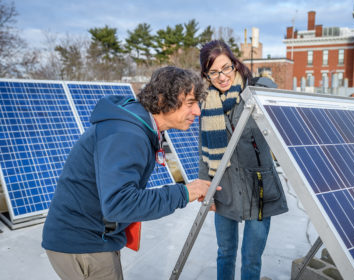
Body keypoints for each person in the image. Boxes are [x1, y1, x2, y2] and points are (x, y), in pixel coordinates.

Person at [42, 66, 218, 280]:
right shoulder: (126, 134)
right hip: (84, 243)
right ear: (163, 100)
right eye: (190, 103)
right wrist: (183, 193)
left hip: (91, 237)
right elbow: (119, 203)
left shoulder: (136, 126)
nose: (198, 111)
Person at [198, 40, 289, 280]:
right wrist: (206, 191)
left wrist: (265, 88)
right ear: (206, 74)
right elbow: (203, 151)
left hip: (259, 191)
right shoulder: (207, 104)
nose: (222, 76)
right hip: (224, 187)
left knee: (251, 258)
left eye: (226, 67)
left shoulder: (254, 93)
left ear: (235, 64)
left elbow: (278, 101)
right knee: (225, 252)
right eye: (214, 71)